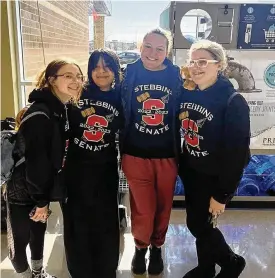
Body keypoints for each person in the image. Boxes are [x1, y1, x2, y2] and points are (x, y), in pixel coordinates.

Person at [178, 40, 250, 278]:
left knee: (199, 225)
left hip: (214, 177)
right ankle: (206, 267)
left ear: (219, 65)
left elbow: (237, 154)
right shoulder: (192, 91)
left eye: (203, 62)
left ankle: (232, 262)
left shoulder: (233, 101)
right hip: (193, 172)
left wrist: (222, 194)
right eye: (192, 61)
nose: (196, 67)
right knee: (200, 223)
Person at [6, 59, 84, 278]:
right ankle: (25, 275)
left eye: (78, 76)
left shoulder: (59, 109)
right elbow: (37, 163)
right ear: (51, 80)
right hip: (23, 190)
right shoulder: (42, 115)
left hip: (39, 186)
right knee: (19, 241)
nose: (76, 81)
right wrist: (41, 201)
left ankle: (38, 273)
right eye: (68, 76)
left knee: (37, 233)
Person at [120, 28, 183, 275]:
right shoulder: (130, 72)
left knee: (163, 206)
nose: (153, 53)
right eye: (148, 46)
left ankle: (157, 247)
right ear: (140, 47)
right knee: (144, 208)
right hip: (135, 154)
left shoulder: (176, 75)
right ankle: (140, 247)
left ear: (167, 52)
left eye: (159, 48)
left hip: (167, 155)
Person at [62, 49, 123, 278]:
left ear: (115, 69)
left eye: (106, 66)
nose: (101, 72)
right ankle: (80, 271)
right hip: (76, 168)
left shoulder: (121, 96)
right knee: (77, 223)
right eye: (95, 67)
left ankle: (106, 270)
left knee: (106, 223)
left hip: (106, 168)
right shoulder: (78, 91)